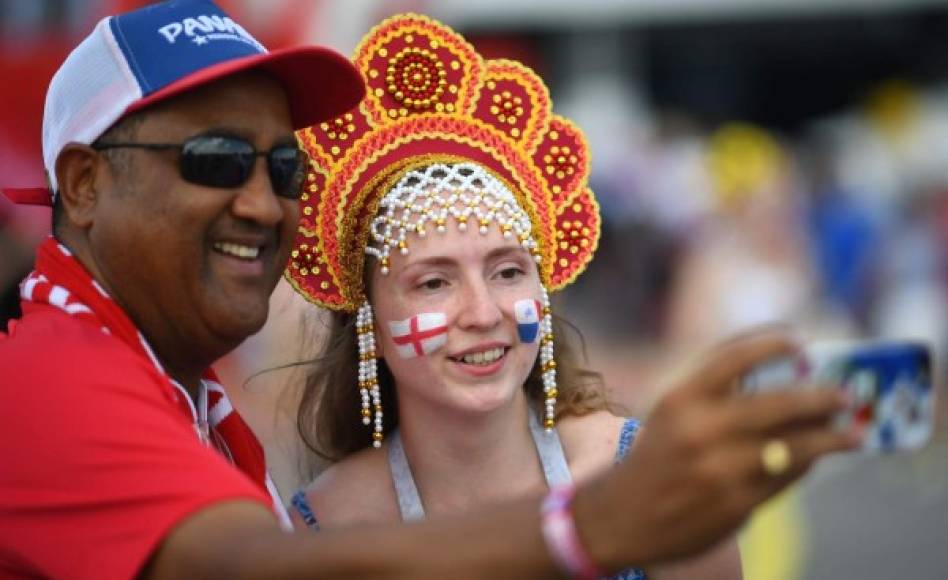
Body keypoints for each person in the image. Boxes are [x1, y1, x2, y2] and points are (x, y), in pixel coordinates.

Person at [0, 1, 858, 579]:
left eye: (284, 165)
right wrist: (595, 528)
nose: (263, 201)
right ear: (80, 185)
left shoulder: (200, 411)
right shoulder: (51, 384)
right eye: (215, 161)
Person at [284, 14, 738, 580]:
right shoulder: (322, 534)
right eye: (434, 282)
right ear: (368, 321)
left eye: (506, 272)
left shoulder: (653, 483)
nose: (483, 313)